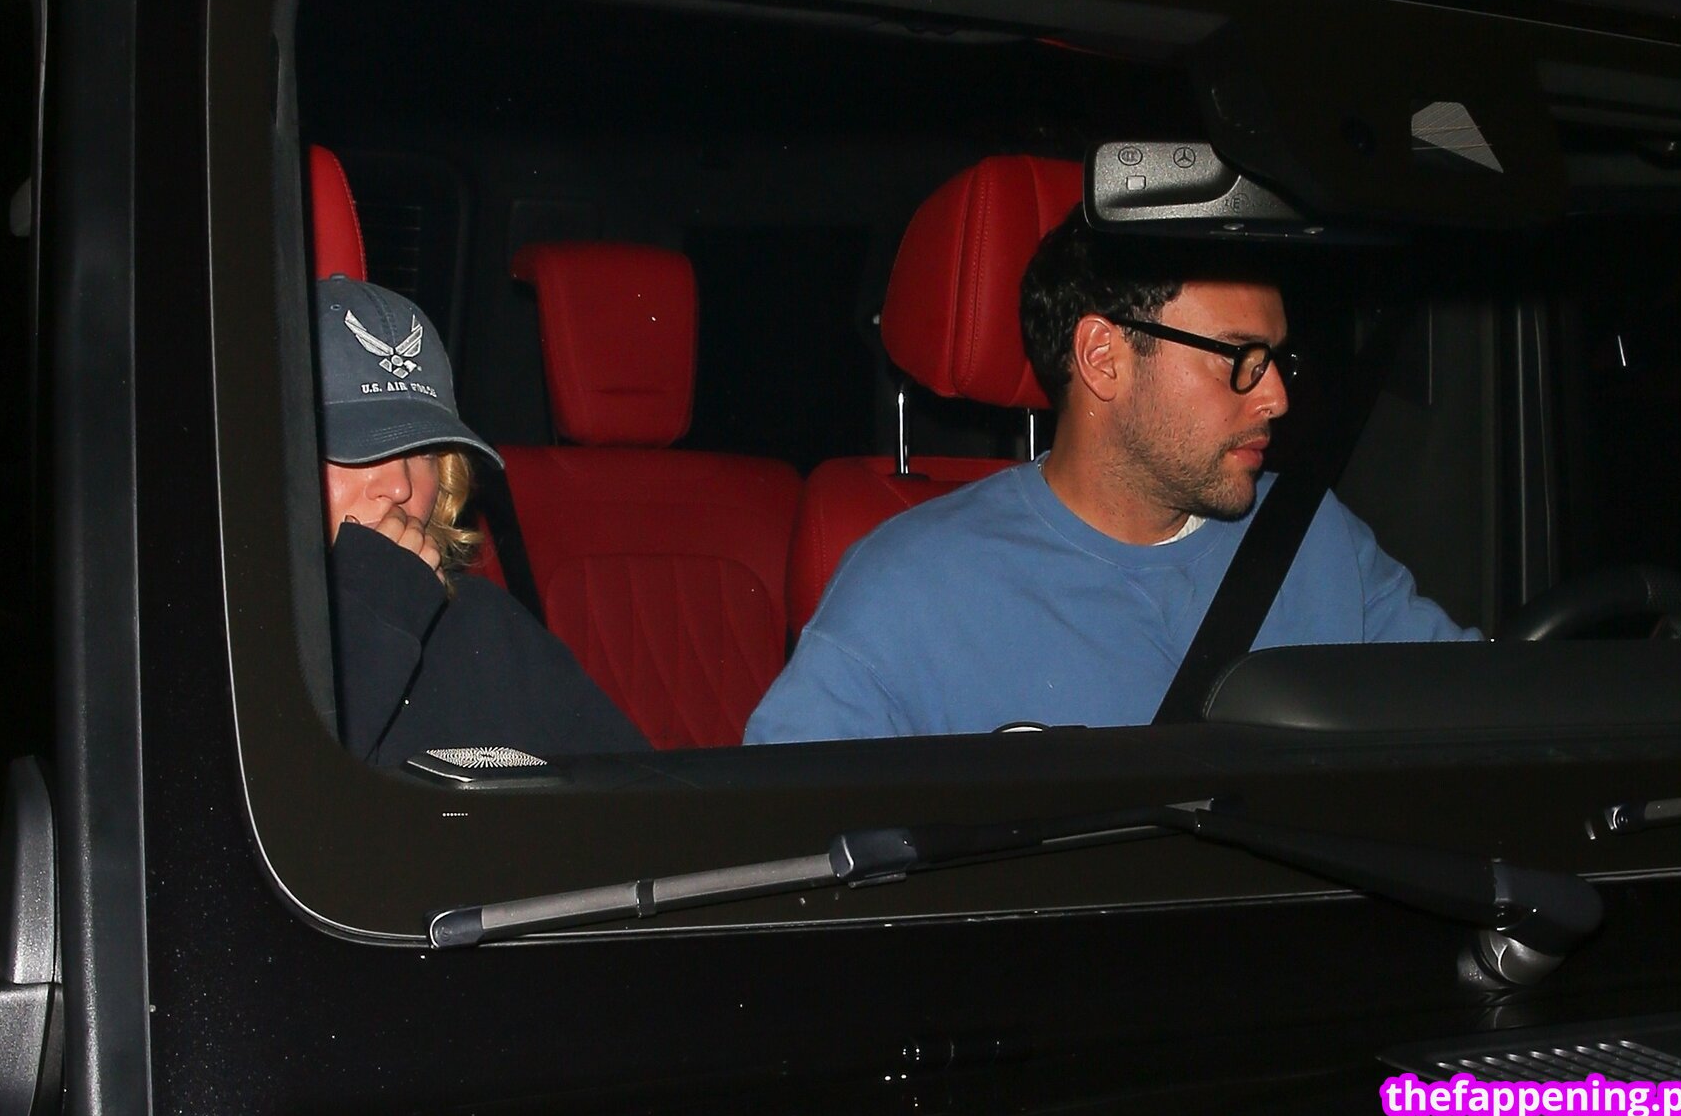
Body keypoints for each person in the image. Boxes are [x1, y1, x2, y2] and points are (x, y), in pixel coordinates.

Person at [745, 215, 1477, 743]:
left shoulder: (1315, 539)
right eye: (1238, 358)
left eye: (1276, 359)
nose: (1276, 398)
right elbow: (790, 849)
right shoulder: (909, 590)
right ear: (1103, 359)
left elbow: (1488, 722)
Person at [313, 277, 649, 763]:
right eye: (356, 445)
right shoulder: (231, 639)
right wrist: (370, 614)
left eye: (423, 452)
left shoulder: (485, 626)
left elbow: (635, 791)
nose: (401, 486)